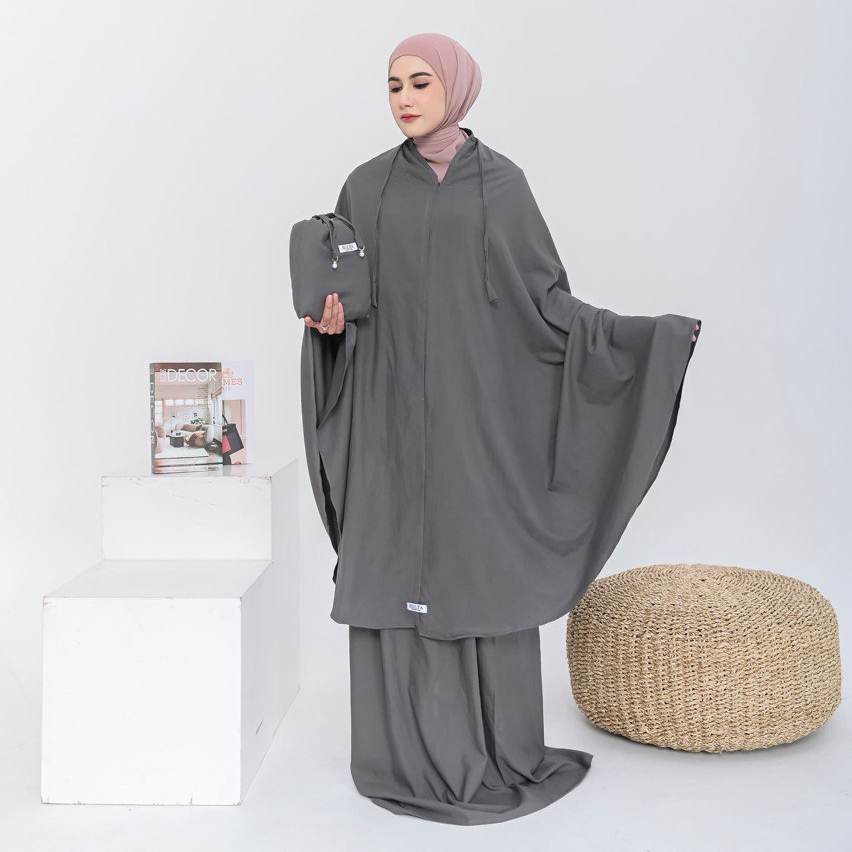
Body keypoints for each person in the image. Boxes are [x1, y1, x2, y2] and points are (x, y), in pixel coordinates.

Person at [300, 32, 701, 825]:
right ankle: (400, 755)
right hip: (388, 418)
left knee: (480, 563)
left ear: (457, 87)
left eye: (421, 82)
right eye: (393, 85)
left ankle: (497, 750)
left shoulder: (504, 185)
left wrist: (647, 338)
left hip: (476, 425)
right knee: (395, 559)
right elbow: (344, 302)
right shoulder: (365, 186)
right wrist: (329, 325)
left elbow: (547, 305)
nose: (405, 98)